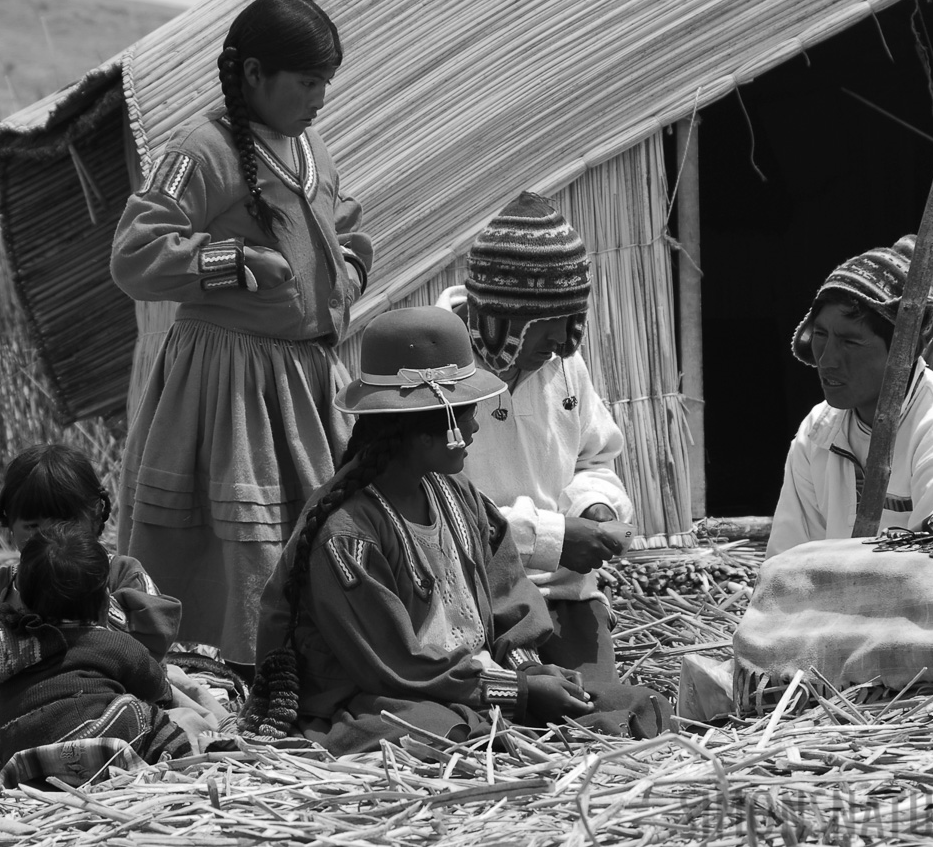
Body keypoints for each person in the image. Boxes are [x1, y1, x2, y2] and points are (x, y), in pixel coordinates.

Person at [242, 307, 671, 755]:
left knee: (625, 705)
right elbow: (391, 666)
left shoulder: (458, 495)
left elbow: (508, 593)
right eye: (464, 414)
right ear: (424, 432)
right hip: (387, 693)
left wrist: (526, 669)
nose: (474, 427)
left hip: (477, 681)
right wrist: (513, 692)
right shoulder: (348, 534)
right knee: (437, 731)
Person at [110, 0, 371, 673]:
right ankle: (242, 667)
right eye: (307, 82)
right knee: (244, 535)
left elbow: (336, 225)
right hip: (230, 384)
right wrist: (231, 264)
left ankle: (306, 656)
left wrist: (349, 268)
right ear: (254, 73)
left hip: (307, 378)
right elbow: (135, 254)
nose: (320, 98)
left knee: (320, 518)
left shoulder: (309, 146)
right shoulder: (202, 150)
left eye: (326, 84)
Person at [436, 192, 630, 683]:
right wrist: (550, 539)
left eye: (573, 322)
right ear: (503, 315)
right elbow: (427, 508)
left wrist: (595, 508)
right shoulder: (433, 370)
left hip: (562, 593)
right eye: (550, 325)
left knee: (596, 707)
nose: (565, 343)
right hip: (459, 595)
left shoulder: (564, 365)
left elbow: (594, 459)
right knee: (510, 708)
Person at [769, 236, 933, 556]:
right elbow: (789, 559)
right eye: (822, 335)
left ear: (902, 351)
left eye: (850, 342)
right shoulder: (820, 429)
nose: (827, 360)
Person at [0, 444, 207, 762]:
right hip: (22, 703)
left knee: (188, 705)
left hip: (113, 691)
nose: (49, 535)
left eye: (64, 523)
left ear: (94, 514)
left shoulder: (120, 573)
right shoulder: (2, 587)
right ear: (9, 524)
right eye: (31, 526)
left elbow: (150, 646)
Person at [0, 521, 198, 765]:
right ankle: (186, 768)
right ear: (105, 604)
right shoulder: (115, 644)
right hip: (99, 739)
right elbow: (155, 688)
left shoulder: (10, 652)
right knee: (154, 720)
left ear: (22, 600)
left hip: (22, 755)